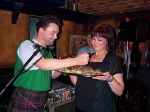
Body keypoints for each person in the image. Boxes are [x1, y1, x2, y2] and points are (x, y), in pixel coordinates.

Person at [7, 16, 89, 112]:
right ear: (41, 30)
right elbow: (43, 64)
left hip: (42, 97)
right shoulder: (27, 45)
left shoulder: (48, 52)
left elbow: (52, 75)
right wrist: (76, 60)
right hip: (26, 95)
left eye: (57, 33)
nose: (56, 37)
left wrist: (64, 67)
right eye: (53, 33)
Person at [70, 24, 124, 112]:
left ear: (108, 41)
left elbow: (120, 91)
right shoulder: (87, 57)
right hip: (80, 105)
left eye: (100, 40)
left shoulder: (113, 60)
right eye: (93, 39)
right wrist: (70, 71)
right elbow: (77, 83)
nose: (95, 42)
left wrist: (110, 79)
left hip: (100, 107)